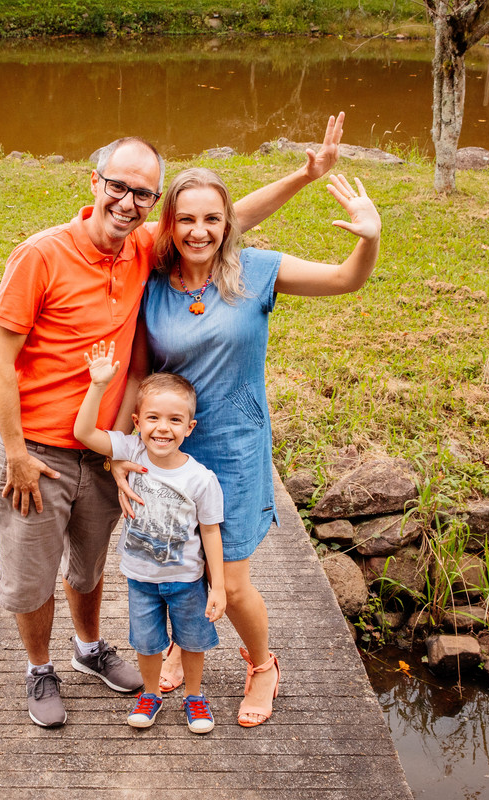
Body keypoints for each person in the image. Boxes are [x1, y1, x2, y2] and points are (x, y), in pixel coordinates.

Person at [0, 116, 346, 728]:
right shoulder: (40, 255)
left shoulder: (138, 251)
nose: (128, 203)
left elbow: (226, 223)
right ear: (94, 181)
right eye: (118, 187)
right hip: (38, 449)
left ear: (152, 202)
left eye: (143, 194)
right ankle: (39, 668)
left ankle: (91, 648)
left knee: (91, 564)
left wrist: (304, 176)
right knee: (29, 575)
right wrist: (15, 451)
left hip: (106, 445)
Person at [135, 166, 381, 727]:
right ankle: (182, 642)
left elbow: (347, 280)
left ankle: (263, 664)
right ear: (169, 224)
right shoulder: (150, 280)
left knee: (235, 580)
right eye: (187, 219)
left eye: (213, 219)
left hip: (238, 447)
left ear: (230, 224)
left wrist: (369, 239)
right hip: (171, 450)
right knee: (181, 560)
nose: (200, 231)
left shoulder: (256, 270)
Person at [73, 345, 226, 734]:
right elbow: (84, 433)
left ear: (189, 428)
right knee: (146, 642)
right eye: (153, 418)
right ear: (137, 421)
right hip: (140, 578)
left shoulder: (201, 479)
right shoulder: (130, 449)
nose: (163, 428)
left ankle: (195, 697)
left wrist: (218, 587)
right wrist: (98, 385)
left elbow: (210, 531)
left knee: (192, 642)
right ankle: (152, 694)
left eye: (175, 420)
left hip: (187, 580)